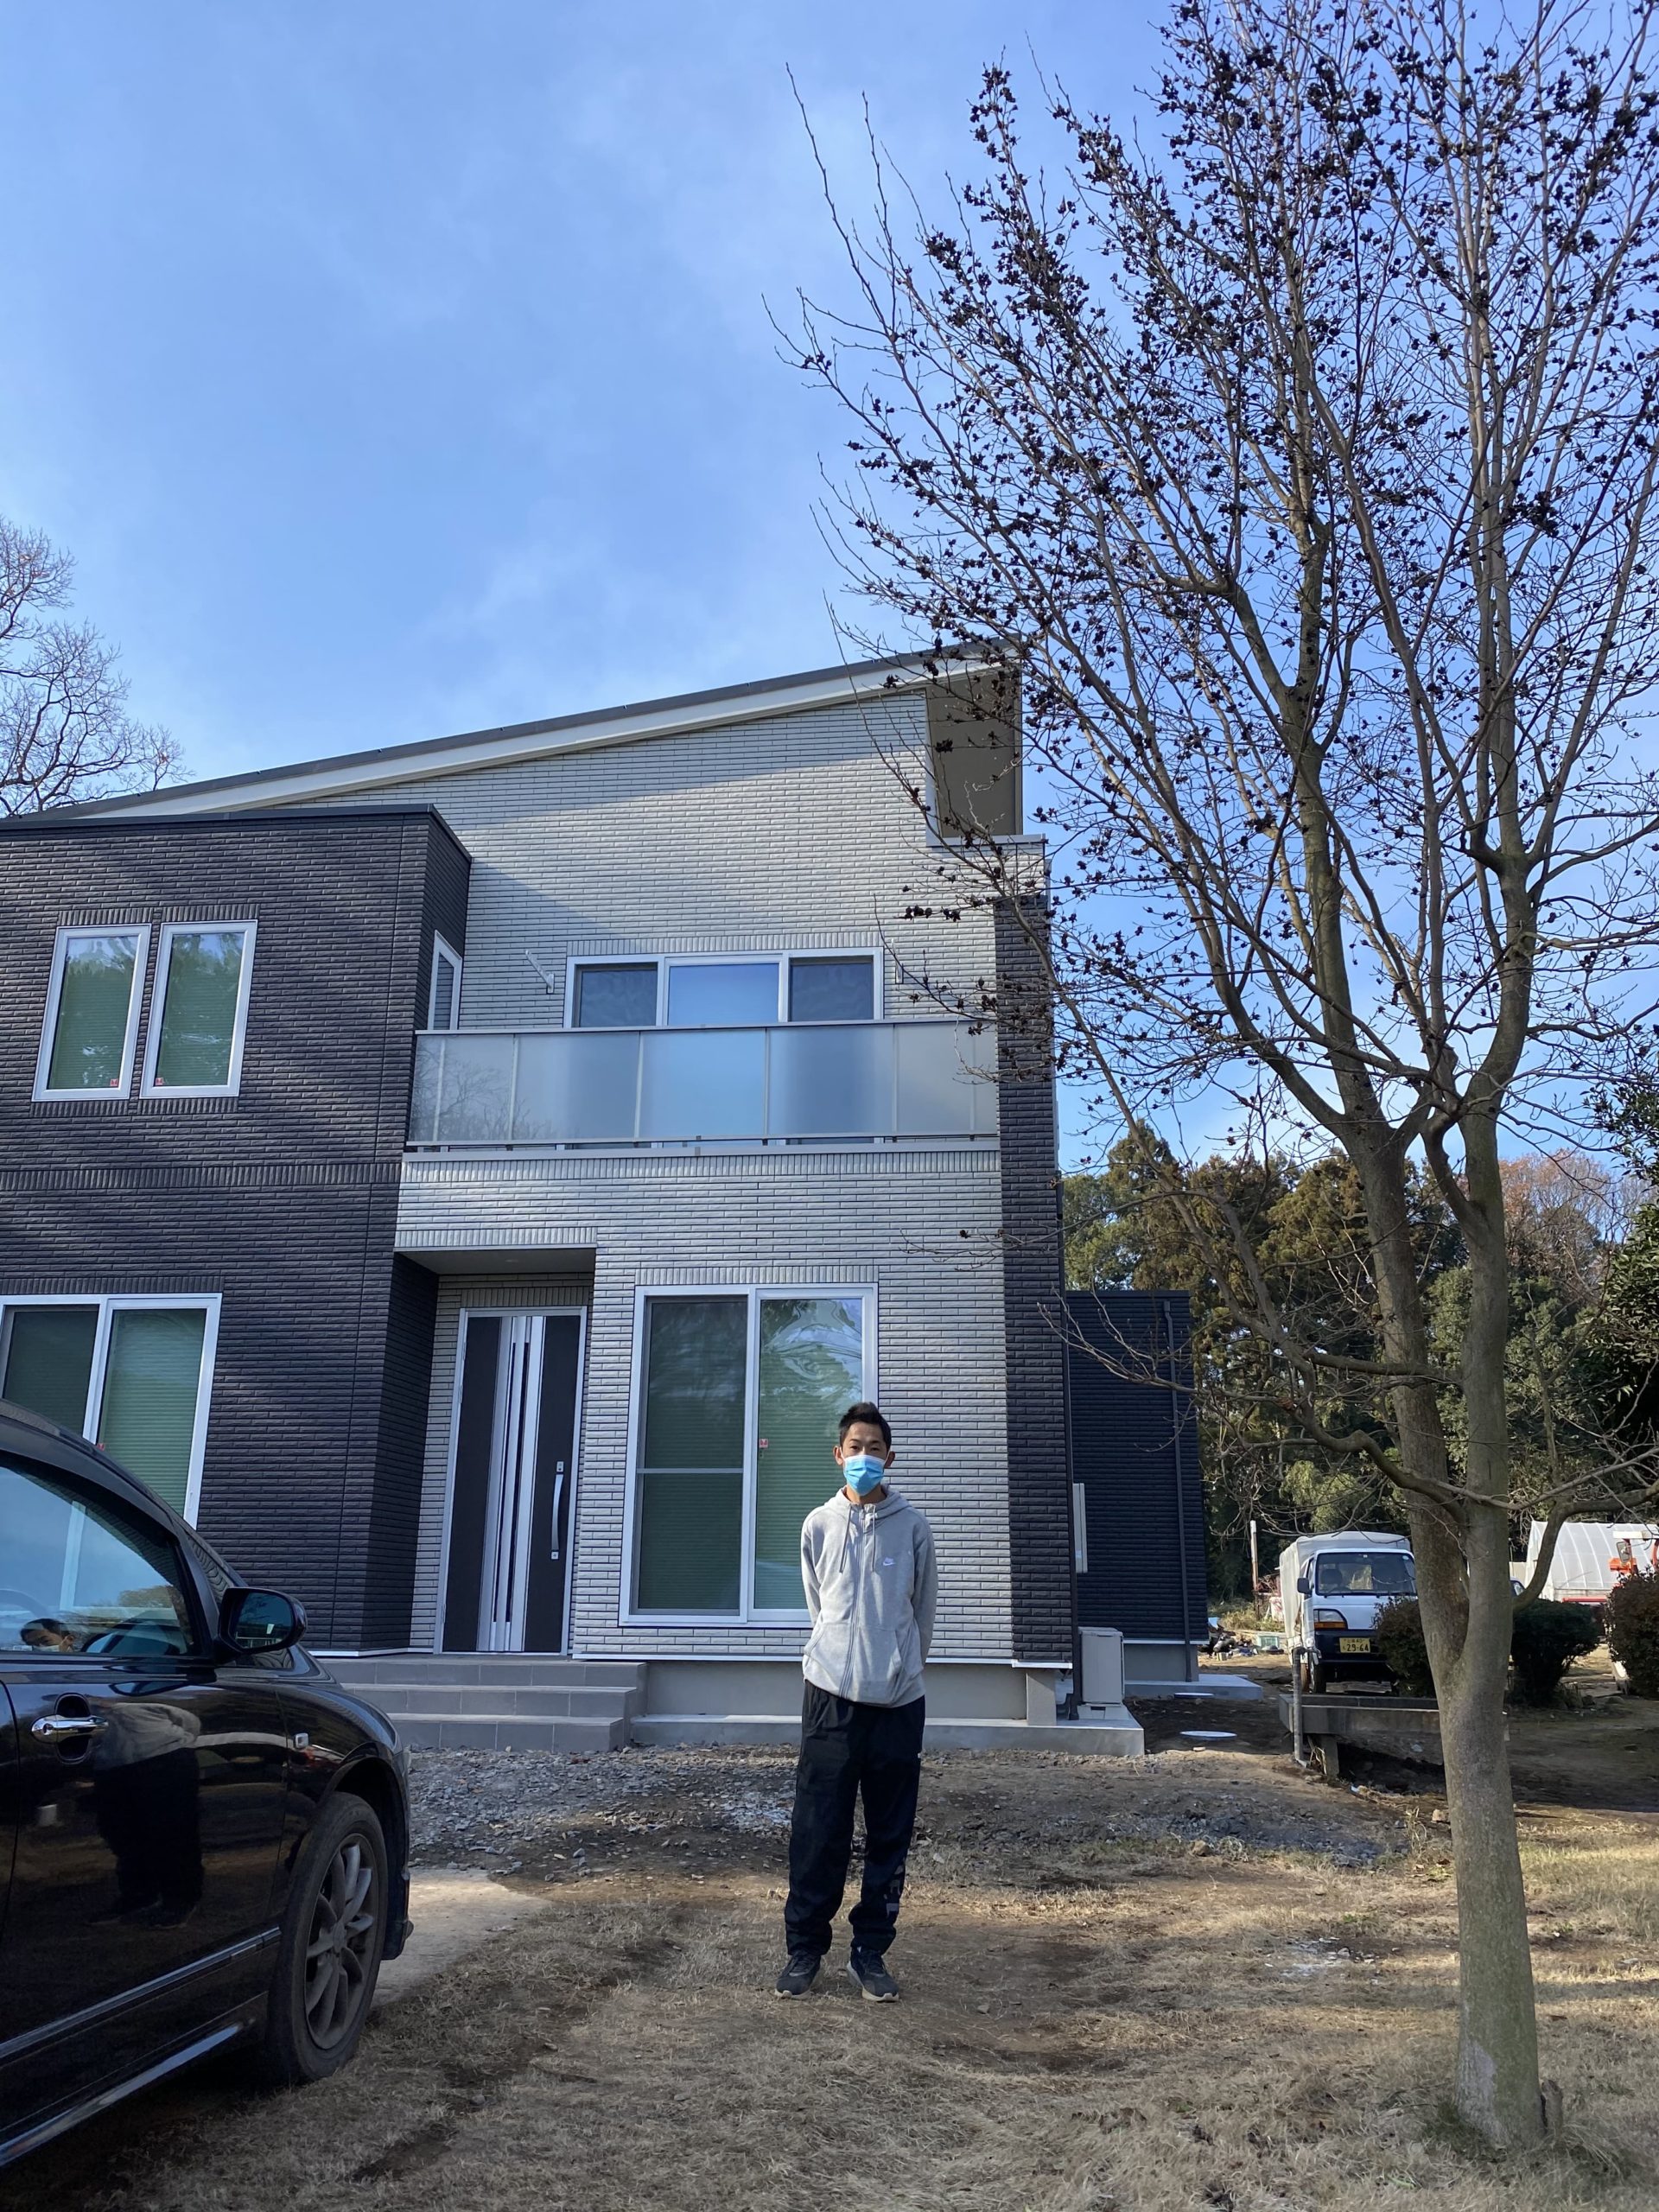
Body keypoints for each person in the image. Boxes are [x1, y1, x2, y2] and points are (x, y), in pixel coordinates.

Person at [775, 1401, 937, 2003]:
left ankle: (869, 1952)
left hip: (898, 1702)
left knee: (889, 1834)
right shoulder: (818, 1524)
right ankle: (804, 1950)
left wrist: (900, 1665)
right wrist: (837, 1656)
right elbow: (819, 1606)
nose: (863, 1457)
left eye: (874, 1449)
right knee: (819, 1829)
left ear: (889, 1458)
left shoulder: (913, 1528)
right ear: (838, 1455)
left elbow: (922, 1613)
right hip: (830, 1700)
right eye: (854, 1447)